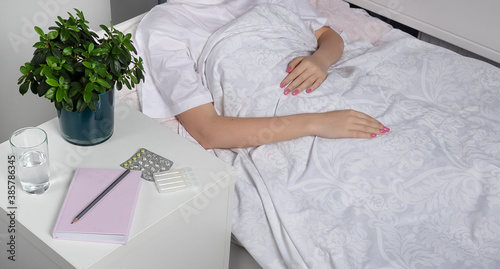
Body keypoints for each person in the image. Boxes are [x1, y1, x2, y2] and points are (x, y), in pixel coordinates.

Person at [135, 0, 389, 149]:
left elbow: (327, 35)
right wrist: (317, 123)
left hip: (341, 87)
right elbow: (207, 131)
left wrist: (320, 60)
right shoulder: (163, 26)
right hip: (290, 126)